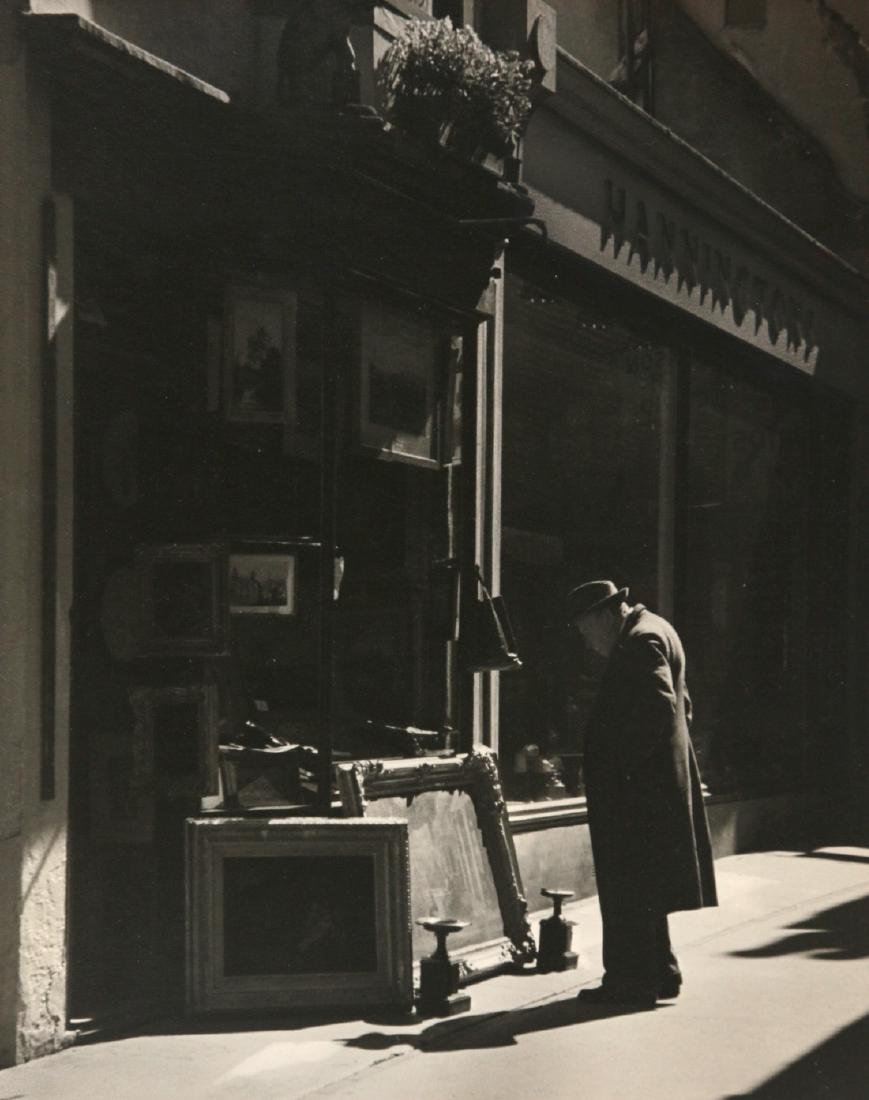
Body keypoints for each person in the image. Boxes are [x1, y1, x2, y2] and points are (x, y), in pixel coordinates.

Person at [567, 579, 717, 1008]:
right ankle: (660, 972)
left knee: (627, 887)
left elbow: (659, 706)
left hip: (636, 792)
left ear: (602, 616)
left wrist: (621, 770)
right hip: (653, 786)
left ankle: (629, 984)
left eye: (584, 630)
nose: (587, 643)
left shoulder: (640, 639)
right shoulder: (656, 629)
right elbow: (682, 704)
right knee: (646, 887)